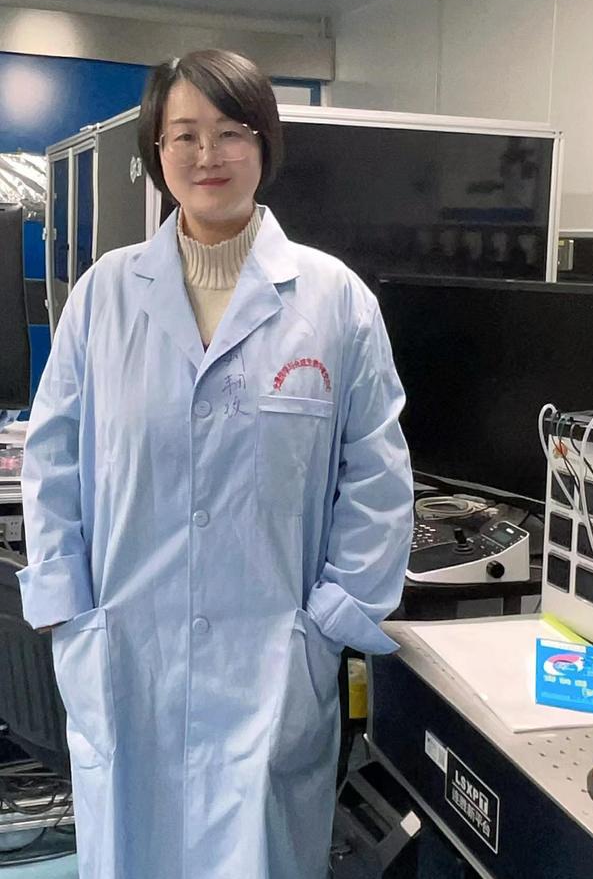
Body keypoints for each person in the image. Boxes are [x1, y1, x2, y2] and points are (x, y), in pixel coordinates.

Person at [18, 50, 415, 879]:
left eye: (231, 131)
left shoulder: (334, 301)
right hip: (127, 649)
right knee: (133, 848)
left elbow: (377, 478)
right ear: (156, 152)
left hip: (272, 659)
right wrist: (67, 609)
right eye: (184, 135)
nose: (208, 155)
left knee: (259, 855)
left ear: (263, 143)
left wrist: (329, 623)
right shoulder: (104, 295)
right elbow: (51, 460)